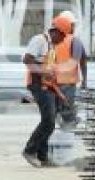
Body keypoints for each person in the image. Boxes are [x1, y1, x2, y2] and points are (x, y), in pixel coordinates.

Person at [22, 14, 87, 168]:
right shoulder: (39, 40)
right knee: (49, 120)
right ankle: (30, 150)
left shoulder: (51, 46)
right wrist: (41, 72)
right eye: (63, 35)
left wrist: (59, 93)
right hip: (37, 84)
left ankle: (43, 156)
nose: (64, 39)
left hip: (48, 86)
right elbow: (27, 60)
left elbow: (50, 73)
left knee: (49, 121)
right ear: (55, 31)